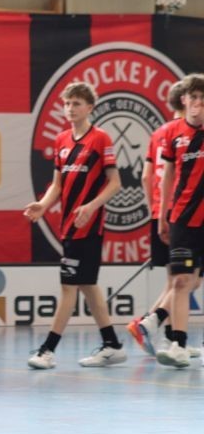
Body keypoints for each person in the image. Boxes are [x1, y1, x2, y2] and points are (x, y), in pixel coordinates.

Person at [24, 81, 125, 370]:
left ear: (90, 107)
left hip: (88, 227)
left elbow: (115, 183)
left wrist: (91, 206)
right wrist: (43, 205)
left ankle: (47, 350)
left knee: (69, 287)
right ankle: (112, 345)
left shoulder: (100, 139)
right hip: (68, 225)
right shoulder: (61, 140)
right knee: (88, 286)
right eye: (67, 103)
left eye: (77, 103)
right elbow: (57, 184)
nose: (70, 108)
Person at [130, 81, 189, 356]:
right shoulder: (185, 132)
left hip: (160, 211)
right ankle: (152, 324)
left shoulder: (158, 133)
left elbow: (145, 176)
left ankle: (170, 338)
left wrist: (154, 209)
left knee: (176, 279)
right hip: (183, 212)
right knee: (186, 279)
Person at [155, 74, 204, 368]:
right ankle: (179, 345)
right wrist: (163, 215)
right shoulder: (173, 132)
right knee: (182, 280)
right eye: (194, 97)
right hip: (182, 219)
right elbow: (167, 177)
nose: (198, 103)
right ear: (184, 100)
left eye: (203, 98)